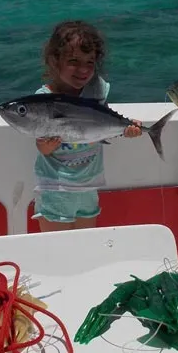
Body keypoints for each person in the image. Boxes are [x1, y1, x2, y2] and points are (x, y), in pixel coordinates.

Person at [32, 20, 141, 232]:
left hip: (89, 185)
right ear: (54, 60)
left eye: (89, 63)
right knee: (57, 249)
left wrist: (127, 128)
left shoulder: (97, 89)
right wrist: (50, 144)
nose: (83, 69)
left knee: (87, 244)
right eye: (73, 61)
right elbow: (42, 149)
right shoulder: (42, 101)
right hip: (56, 187)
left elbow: (104, 121)